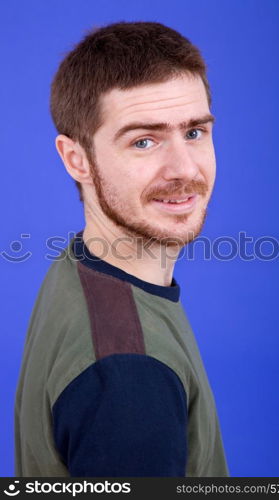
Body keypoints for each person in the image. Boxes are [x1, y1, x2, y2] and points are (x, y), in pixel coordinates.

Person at [15, 21, 229, 477]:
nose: (184, 169)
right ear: (77, 160)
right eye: (144, 141)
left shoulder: (82, 263)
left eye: (194, 132)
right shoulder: (130, 378)